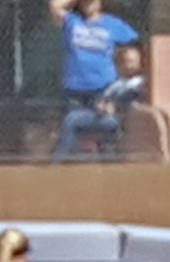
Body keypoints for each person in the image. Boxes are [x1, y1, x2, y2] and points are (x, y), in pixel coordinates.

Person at [48, 0, 138, 160]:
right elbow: (55, 5)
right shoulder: (72, 21)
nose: (89, 3)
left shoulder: (113, 24)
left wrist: (119, 94)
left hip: (103, 90)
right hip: (74, 91)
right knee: (70, 134)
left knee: (106, 139)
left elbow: (134, 51)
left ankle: (110, 173)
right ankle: (62, 173)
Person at [52, 43, 145, 162]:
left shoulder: (138, 82)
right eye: (126, 61)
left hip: (118, 118)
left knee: (72, 119)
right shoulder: (116, 81)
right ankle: (72, 157)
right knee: (72, 110)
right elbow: (103, 97)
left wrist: (115, 106)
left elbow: (131, 99)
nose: (130, 65)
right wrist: (100, 104)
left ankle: (59, 161)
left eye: (133, 61)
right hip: (102, 114)